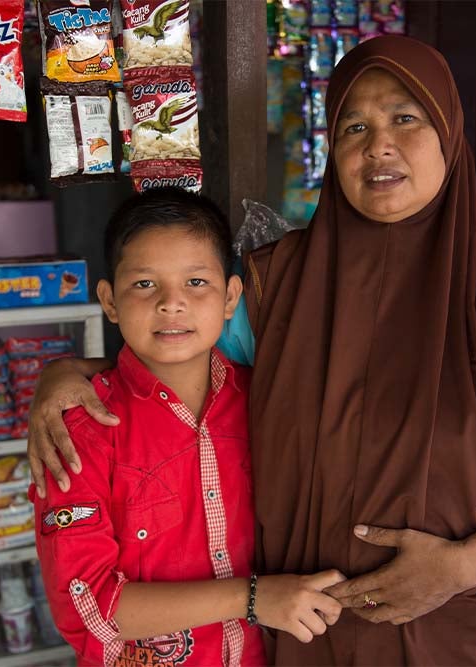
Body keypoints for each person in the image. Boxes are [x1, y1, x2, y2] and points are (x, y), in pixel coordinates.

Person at [28, 36, 476, 666]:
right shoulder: (281, 285)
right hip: (319, 640)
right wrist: (67, 375)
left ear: (449, 133)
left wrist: (459, 568)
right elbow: (178, 339)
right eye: (354, 125)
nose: (377, 144)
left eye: (405, 119)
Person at [29, 188, 344, 667]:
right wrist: (253, 598)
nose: (171, 303)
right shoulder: (82, 429)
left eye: (196, 281)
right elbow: (88, 606)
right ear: (110, 301)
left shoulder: (269, 402)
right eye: (144, 285)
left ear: (231, 297)